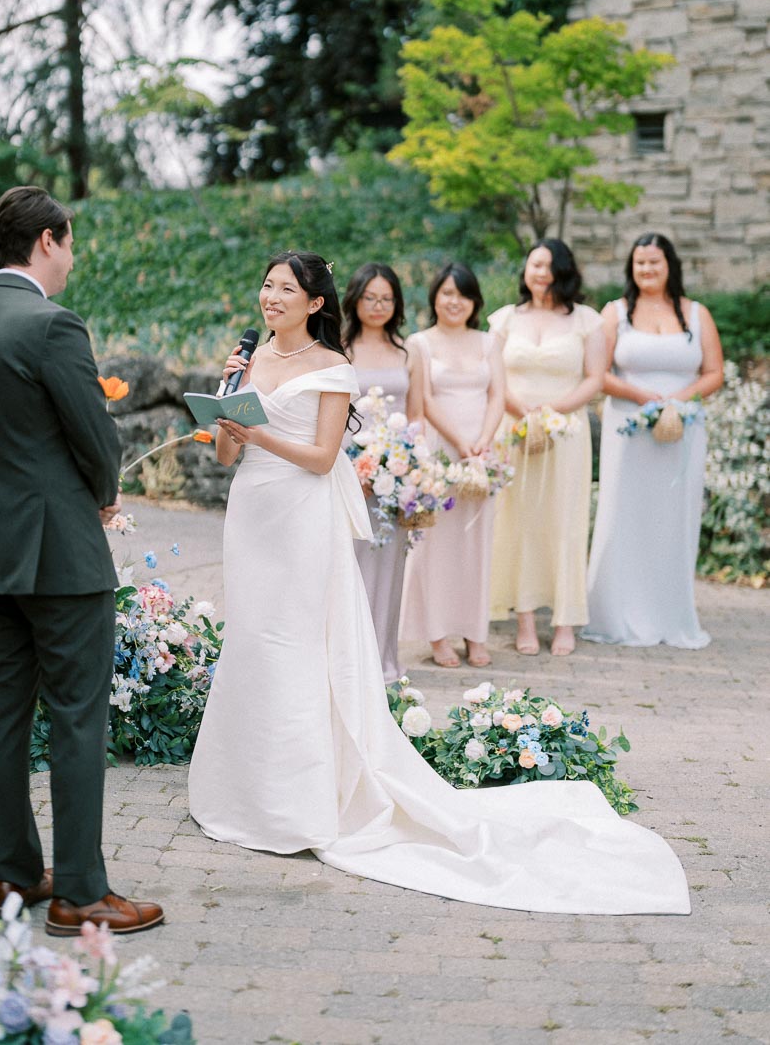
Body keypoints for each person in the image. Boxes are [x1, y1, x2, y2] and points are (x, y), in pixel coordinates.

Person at [187, 250, 690, 915]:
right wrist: (226, 410)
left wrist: (260, 434)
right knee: (253, 640)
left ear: (314, 302)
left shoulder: (332, 366)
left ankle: (303, 796)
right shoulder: (247, 361)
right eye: (266, 284)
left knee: (296, 642)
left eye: (285, 288)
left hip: (303, 517)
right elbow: (228, 453)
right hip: (251, 515)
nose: (270, 296)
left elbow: (320, 458)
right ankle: (246, 789)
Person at [0, 186, 164, 937]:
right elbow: (94, 436)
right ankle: (79, 892)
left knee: (3, 715)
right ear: (45, 241)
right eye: (68, 243)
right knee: (76, 715)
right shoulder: (52, 324)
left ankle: (13, 878)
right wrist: (104, 495)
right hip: (61, 554)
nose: (72, 258)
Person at [583, 234, 723, 647]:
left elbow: (714, 372)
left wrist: (676, 402)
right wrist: (643, 398)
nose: (646, 270)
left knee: (672, 520)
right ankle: (615, 614)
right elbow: (599, 372)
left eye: (654, 263)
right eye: (639, 263)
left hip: (682, 432)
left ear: (670, 265)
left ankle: (669, 616)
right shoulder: (616, 313)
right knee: (623, 516)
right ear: (631, 267)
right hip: (628, 430)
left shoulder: (697, 314)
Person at [488, 240, 607, 656]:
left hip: (566, 432)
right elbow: (493, 376)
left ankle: (565, 619)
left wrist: (552, 412)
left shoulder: (586, 321)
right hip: (513, 429)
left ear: (563, 271)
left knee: (565, 521)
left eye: (549, 265)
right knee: (517, 520)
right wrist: (521, 411)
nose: (541, 272)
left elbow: (595, 378)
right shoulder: (504, 320)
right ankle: (523, 617)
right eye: (535, 264)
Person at [399, 262, 505, 668]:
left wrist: (483, 440)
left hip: (480, 452)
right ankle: (438, 634)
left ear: (474, 300)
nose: (453, 301)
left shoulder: (488, 341)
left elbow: (497, 394)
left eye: (461, 294)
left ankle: (476, 634)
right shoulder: (419, 343)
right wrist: (459, 442)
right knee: (436, 545)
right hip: (440, 449)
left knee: (476, 542)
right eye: (445, 293)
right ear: (434, 298)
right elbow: (422, 399)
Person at [342, 261, 413, 682]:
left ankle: (384, 657)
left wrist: (410, 466)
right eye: (370, 297)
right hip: (350, 466)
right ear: (355, 298)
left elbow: (415, 412)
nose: (377, 305)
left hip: (396, 471)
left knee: (390, 564)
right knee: (351, 561)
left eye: (386, 298)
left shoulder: (406, 350)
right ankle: (351, 658)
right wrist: (353, 463)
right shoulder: (340, 347)